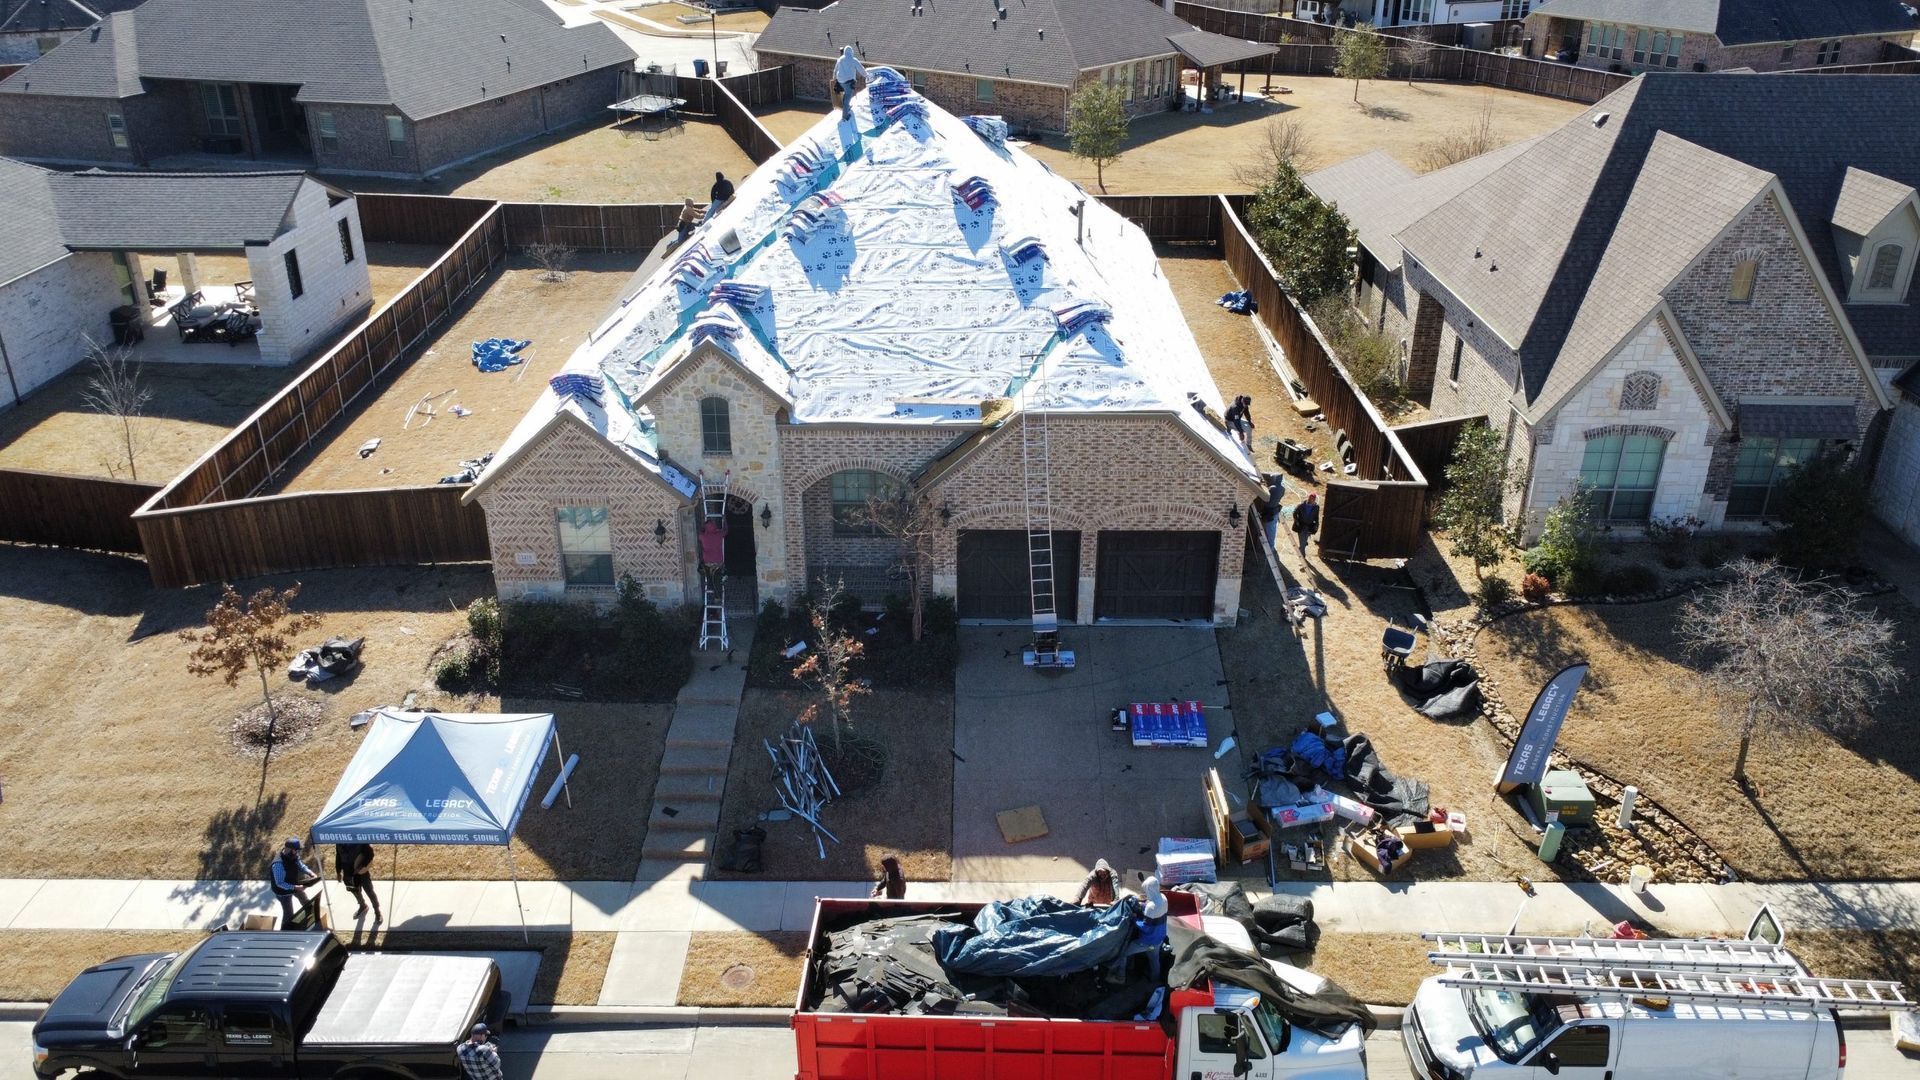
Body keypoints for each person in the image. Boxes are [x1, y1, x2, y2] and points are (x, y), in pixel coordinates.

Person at [269, 837, 321, 930]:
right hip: (282, 892)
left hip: (294, 885)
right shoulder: (278, 864)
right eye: (295, 850)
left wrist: (309, 872)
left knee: (306, 902)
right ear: (288, 849)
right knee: (289, 913)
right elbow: (280, 883)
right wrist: (296, 887)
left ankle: (312, 917)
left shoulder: (293, 856)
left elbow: (300, 865)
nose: (297, 853)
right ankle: (285, 932)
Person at [336, 842, 382, 923]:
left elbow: (370, 853)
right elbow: (338, 856)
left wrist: (361, 866)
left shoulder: (359, 838)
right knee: (355, 891)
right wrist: (338, 872)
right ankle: (362, 905)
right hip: (348, 872)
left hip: (361, 872)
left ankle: (377, 912)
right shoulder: (339, 841)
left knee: (369, 891)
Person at [833, 45, 867, 120]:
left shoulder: (840, 59)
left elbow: (835, 69)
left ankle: (847, 106)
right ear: (851, 52)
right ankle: (845, 116)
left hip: (840, 81)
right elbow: (861, 69)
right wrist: (866, 75)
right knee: (848, 97)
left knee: (846, 94)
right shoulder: (853, 60)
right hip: (848, 82)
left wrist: (834, 78)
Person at [698, 517, 727, 591]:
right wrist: (725, 521)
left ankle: (711, 584)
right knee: (719, 574)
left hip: (707, 562)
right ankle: (718, 587)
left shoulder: (703, 536)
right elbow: (726, 531)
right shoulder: (718, 535)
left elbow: (700, 533)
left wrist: (703, 527)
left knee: (705, 570)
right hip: (718, 562)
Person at [1292, 491, 1320, 560]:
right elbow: (1294, 513)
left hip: (1309, 527)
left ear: (1315, 499)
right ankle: (1303, 558)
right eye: (1310, 497)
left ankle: (1303, 546)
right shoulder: (1301, 505)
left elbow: (1316, 517)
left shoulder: (1316, 507)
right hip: (1301, 527)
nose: (1311, 499)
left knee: (1303, 543)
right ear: (1308, 497)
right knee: (1302, 543)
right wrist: (1297, 521)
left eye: (1313, 498)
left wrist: (1316, 525)